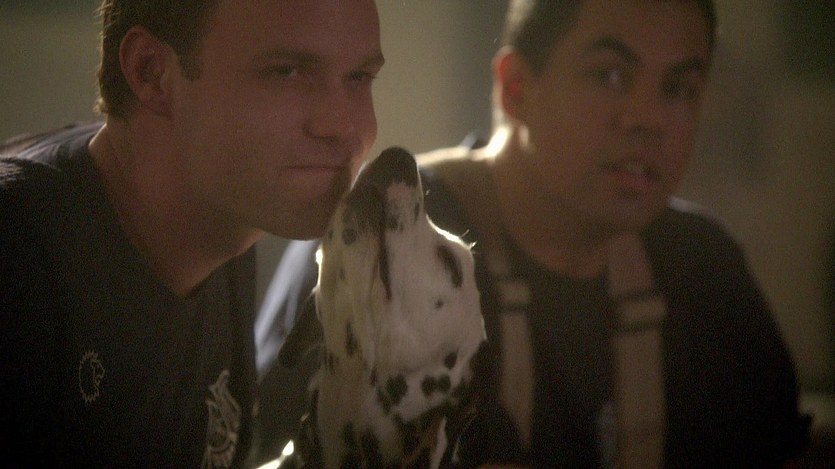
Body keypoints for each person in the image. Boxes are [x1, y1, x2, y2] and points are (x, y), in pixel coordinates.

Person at [255, 0, 810, 467]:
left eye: (679, 87)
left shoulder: (703, 268)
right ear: (515, 87)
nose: (648, 118)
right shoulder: (391, 230)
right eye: (610, 75)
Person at [0, 0, 383, 466]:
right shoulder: (19, 261)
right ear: (152, 72)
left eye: (360, 77)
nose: (345, 128)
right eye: (287, 72)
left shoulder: (226, 217)